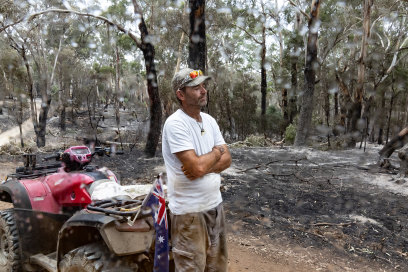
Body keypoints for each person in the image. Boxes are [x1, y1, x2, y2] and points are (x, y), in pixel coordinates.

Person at [162, 68, 232, 272]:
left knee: (217, 265)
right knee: (192, 267)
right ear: (181, 94)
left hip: (215, 206)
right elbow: (196, 166)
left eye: (203, 86)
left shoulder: (209, 121)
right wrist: (217, 153)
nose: (203, 91)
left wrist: (210, 161)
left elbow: (227, 160)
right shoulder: (175, 124)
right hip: (189, 213)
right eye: (196, 87)